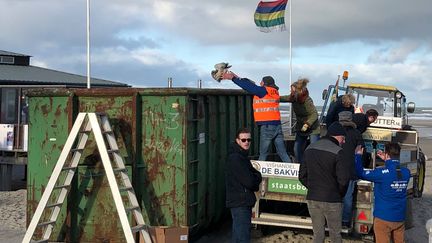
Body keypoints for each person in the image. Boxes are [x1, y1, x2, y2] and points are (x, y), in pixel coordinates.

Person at [222, 71, 292, 162]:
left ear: (265, 83)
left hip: (267, 125)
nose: (260, 83)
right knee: (282, 152)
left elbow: (249, 86)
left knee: (263, 153)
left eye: (261, 82)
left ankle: (259, 174)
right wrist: (235, 76)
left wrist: (233, 79)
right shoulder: (274, 92)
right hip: (277, 125)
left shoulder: (263, 91)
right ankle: (292, 173)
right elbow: (250, 84)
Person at [299, 122, 350, 243]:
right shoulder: (338, 151)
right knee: (335, 235)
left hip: (313, 198)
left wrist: (312, 187)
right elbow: (343, 180)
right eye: (343, 138)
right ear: (338, 136)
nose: (343, 142)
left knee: (317, 235)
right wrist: (338, 194)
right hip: (332, 199)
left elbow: (301, 176)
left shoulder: (309, 148)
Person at [355, 142, 410, 243]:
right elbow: (394, 172)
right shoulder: (406, 172)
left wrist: (358, 155)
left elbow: (360, 173)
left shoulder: (381, 173)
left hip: (383, 218)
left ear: (387, 154)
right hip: (399, 218)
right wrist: (387, 160)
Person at [225, 127, 262, 243]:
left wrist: (255, 176)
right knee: (242, 237)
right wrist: (256, 179)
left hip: (241, 202)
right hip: (240, 202)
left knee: (239, 237)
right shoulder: (236, 158)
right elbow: (250, 181)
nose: (246, 142)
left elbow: (254, 175)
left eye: (249, 140)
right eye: (243, 140)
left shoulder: (241, 157)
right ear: (237, 141)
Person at [280, 78, 320, 163]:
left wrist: (307, 124)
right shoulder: (293, 97)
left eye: (292, 89)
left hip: (312, 127)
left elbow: (314, 114)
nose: (291, 91)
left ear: (298, 90)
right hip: (301, 126)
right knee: (297, 149)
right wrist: (274, 98)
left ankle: (313, 167)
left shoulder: (307, 100)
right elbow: (283, 98)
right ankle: (300, 166)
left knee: (313, 149)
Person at [337, 111, 364, 228]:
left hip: (336, 168)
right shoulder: (356, 133)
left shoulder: (335, 132)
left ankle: (333, 220)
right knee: (348, 197)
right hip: (350, 169)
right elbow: (360, 151)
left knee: (335, 196)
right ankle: (345, 221)